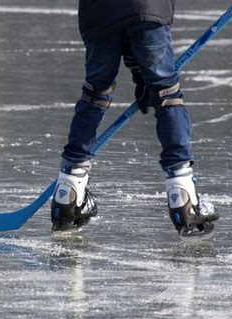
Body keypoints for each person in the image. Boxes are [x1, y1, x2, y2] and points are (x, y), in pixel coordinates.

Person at [51, 0, 219, 240]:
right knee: (166, 95)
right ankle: (183, 196)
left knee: (95, 94)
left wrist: (137, 69)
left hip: (98, 14)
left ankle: (68, 192)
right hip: (146, 9)